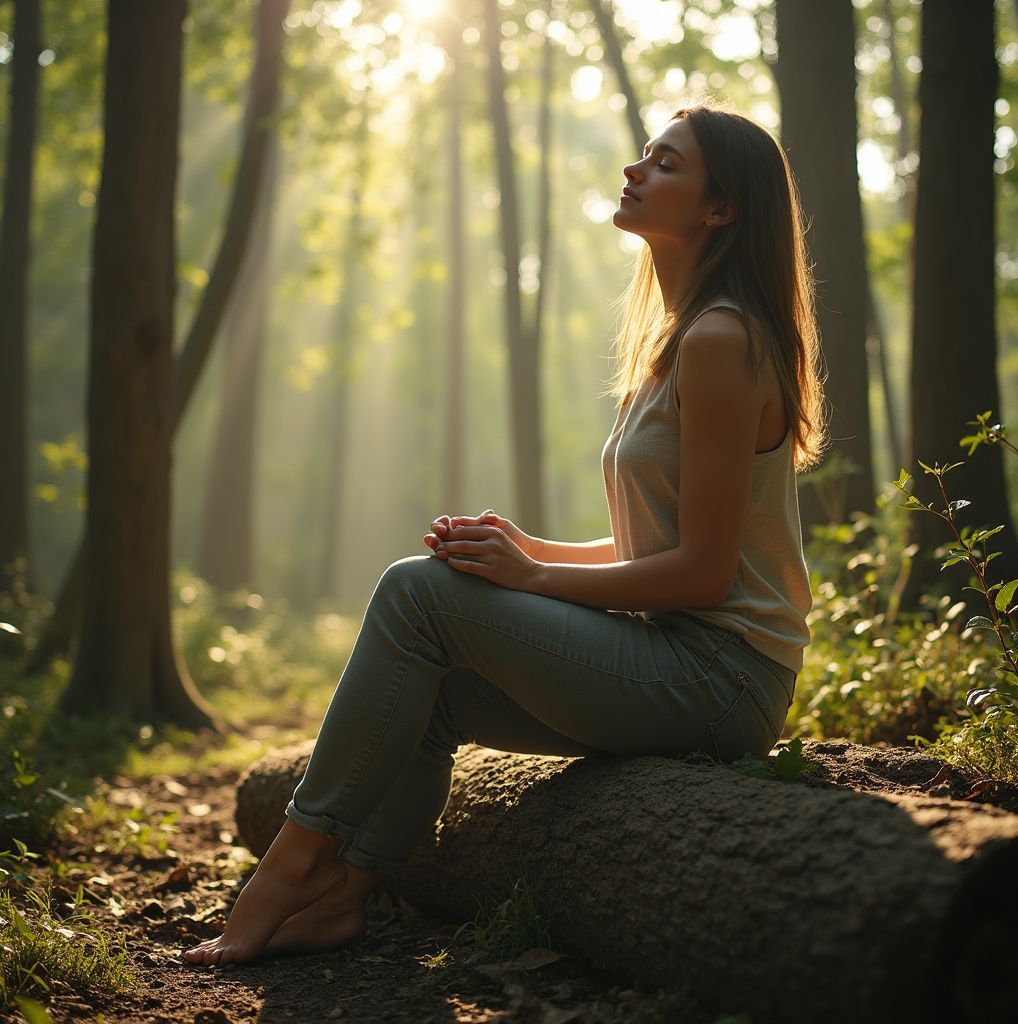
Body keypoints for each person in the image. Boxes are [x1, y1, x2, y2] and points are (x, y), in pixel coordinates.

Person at [183, 101, 827, 967]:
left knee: (416, 592)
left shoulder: (721, 340)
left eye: (666, 163)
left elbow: (705, 576)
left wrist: (528, 581)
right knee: (432, 684)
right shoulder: (678, 346)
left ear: (720, 208)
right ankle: (348, 895)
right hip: (676, 657)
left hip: (721, 679)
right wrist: (527, 552)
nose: (637, 170)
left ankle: (288, 866)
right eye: (644, 154)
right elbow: (653, 547)